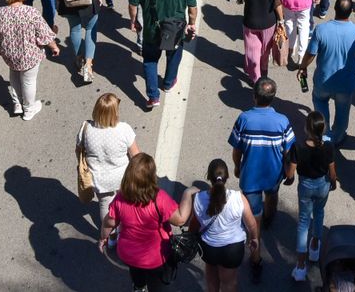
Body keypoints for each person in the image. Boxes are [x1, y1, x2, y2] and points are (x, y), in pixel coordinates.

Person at [173, 158, 261, 292]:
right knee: (229, 283)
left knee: (211, 280)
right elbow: (252, 224)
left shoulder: (198, 198)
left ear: (208, 177)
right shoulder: (238, 198)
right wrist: (254, 238)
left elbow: (195, 224)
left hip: (209, 249)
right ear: (227, 177)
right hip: (233, 250)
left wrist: (191, 238)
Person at [101, 153, 186, 291]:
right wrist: (187, 194)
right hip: (157, 258)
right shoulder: (160, 198)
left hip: (129, 255)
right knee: (157, 286)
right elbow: (180, 219)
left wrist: (103, 238)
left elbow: (109, 223)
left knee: (136, 275)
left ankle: (139, 287)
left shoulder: (120, 199)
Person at [228, 77, 295, 239]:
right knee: (272, 196)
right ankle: (269, 219)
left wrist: (237, 166)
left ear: (254, 96)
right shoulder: (282, 121)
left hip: (250, 176)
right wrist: (290, 174)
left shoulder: (244, 119)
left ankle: (255, 240)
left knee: (253, 211)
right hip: (274, 174)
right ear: (273, 97)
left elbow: (237, 150)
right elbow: (290, 153)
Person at [131, 0, 197, 110]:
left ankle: (153, 97)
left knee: (150, 61)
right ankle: (168, 82)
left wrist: (134, 21)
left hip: (151, 32)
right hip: (175, 31)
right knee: (174, 55)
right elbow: (192, 8)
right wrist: (191, 24)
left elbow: (133, 4)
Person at [299, 0, 355, 145]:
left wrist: (302, 67)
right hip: (346, 84)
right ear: (351, 11)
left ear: (335, 8)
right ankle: (337, 137)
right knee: (343, 112)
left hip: (323, 81)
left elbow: (311, 54)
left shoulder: (321, 30)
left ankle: (324, 134)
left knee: (319, 102)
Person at [0, 0, 60, 120]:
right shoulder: (31, 12)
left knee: (14, 76)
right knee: (28, 81)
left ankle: (17, 104)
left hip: (9, 54)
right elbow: (44, 34)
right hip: (29, 55)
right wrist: (54, 47)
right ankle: (28, 109)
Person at [284, 111, 338, 281]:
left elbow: (291, 173)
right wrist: (333, 182)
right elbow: (332, 169)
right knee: (319, 213)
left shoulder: (298, 147)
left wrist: (289, 177)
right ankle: (315, 247)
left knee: (303, 222)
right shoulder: (328, 146)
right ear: (323, 129)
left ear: (306, 128)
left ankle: (300, 266)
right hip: (323, 185)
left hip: (306, 186)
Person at [79, 93, 142, 232]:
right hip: (122, 178)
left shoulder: (86, 128)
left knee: (104, 205)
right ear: (115, 113)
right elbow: (136, 156)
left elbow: (79, 148)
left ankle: (110, 234)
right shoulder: (124, 129)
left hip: (99, 179)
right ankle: (126, 229)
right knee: (125, 204)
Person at [235, 0, 282, 82]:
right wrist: (282, 21)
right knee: (265, 52)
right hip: (269, 24)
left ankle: (256, 77)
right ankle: (264, 72)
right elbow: (277, 4)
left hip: (250, 22)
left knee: (252, 50)